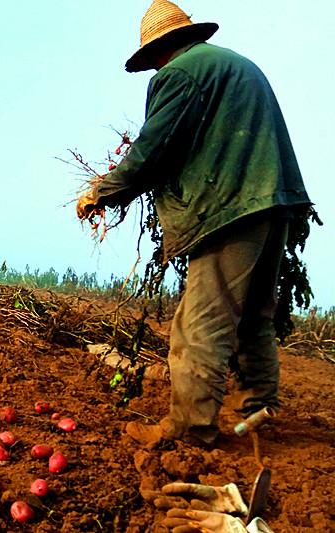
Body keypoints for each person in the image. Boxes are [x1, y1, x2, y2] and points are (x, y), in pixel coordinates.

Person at [76, 0, 312, 447]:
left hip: (230, 208)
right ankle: (259, 409)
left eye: (150, 62)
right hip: (273, 202)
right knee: (254, 317)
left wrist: (101, 191)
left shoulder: (179, 74)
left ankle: (190, 428)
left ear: (159, 50)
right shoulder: (238, 65)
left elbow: (152, 150)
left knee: (200, 323)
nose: (152, 71)